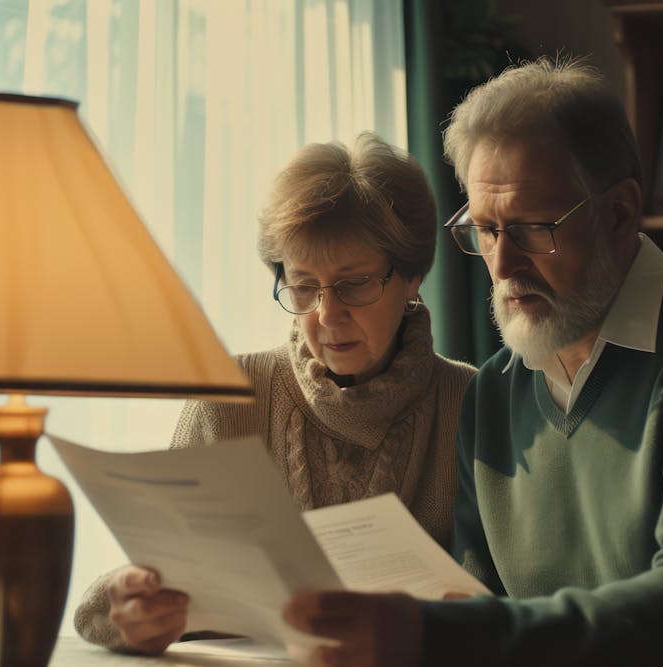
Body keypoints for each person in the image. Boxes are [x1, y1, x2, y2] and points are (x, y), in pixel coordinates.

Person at [281, 59, 663, 666]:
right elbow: (478, 607)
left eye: (531, 229)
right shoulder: (495, 393)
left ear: (619, 214)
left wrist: (434, 635)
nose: (502, 265)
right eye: (485, 231)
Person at [73, 132, 476, 654]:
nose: (327, 316)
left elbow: (508, 605)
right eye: (303, 286)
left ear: (414, 276)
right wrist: (128, 608)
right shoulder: (229, 401)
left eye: (353, 284)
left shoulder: (470, 403)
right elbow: (123, 596)